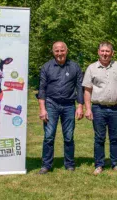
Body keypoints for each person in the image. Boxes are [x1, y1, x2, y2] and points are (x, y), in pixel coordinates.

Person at [82, 41, 117, 175]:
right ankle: (99, 165)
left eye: (107, 51)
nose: (105, 54)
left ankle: (116, 164)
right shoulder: (91, 68)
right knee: (99, 138)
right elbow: (87, 90)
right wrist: (88, 109)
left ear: (112, 53)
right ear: (98, 52)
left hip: (115, 109)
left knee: (115, 138)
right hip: (98, 108)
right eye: (102, 51)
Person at [37, 41, 84, 174]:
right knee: (49, 136)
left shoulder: (75, 67)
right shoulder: (46, 67)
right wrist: (42, 109)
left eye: (62, 50)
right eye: (57, 51)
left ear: (66, 51)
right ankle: (46, 165)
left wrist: (80, 106)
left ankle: (69, 164)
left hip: (69, 105)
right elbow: (42, 89)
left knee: (69, 136)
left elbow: (80, 88)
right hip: (51, 104)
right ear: (53, 52)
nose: (59, 53)